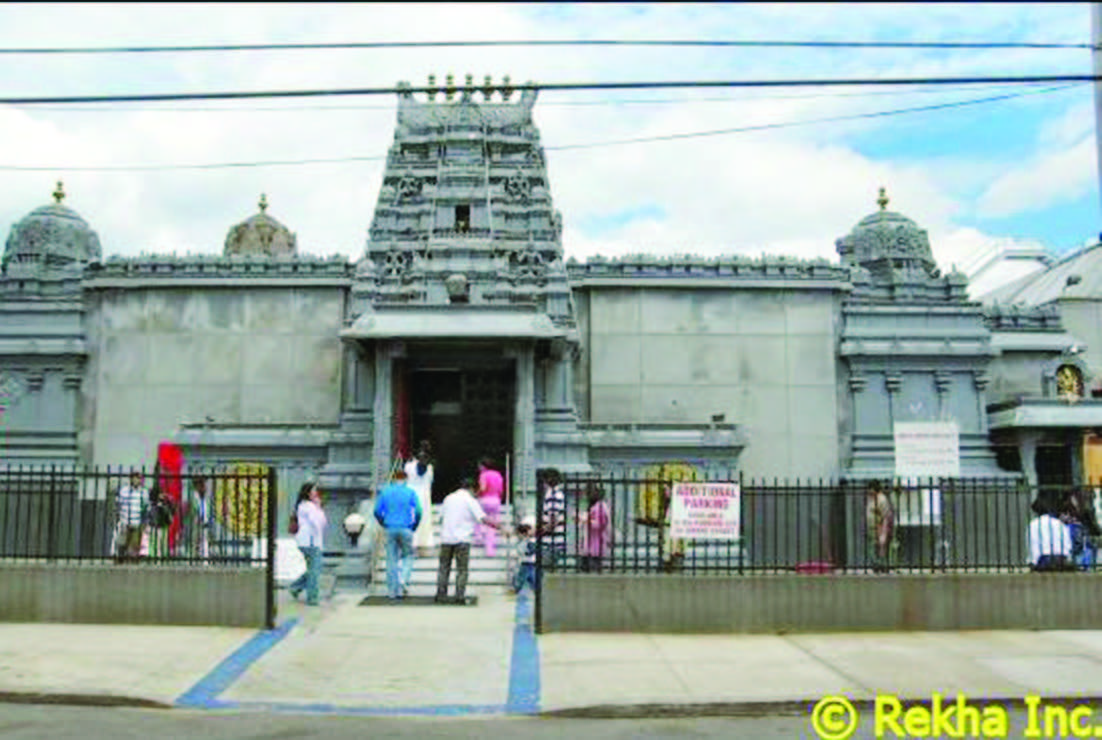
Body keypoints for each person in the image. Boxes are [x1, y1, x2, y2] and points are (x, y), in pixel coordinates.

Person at [435, 476, 494, 604]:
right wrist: (500, 527)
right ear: (472, 488)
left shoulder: (448, 498)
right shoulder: (470, 500)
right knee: (462, 570)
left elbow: (440, 517)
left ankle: (440, 595)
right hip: (462, 539)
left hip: (446, 538)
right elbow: (482, 518)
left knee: (444, 568)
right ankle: (459, 596)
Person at [373, 469, 422, 600]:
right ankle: (403, 580)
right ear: (406, 479)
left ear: (394, 479)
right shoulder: (410, 492)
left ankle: (392, 591)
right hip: (406, 527)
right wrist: (414, 525)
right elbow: (418, 510)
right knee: (407, 556)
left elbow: (377, 510)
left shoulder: (386, 491)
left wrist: (382, 522)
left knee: (391, 559)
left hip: (390, 527)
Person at [288, 483, 327, 605]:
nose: (316, 493)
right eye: (313, 491)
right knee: (315, 571)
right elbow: (318, 522)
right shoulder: (308, 506)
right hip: (310, 542)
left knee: (312, 569)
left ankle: (295, 587)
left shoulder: (306, 506)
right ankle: (312, 597)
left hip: (308, 541)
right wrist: (318, 507)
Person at [405, 441, 435, 556]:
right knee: (424, 520)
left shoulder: (408, 466)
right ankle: (424, 544)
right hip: (424, 496)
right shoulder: (429, 468)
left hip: (411, 494)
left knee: (411, 518)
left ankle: (411, 543)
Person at [1029, 496, 1074, 572]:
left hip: (1044, 560)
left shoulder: (1033, 524)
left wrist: (1033, 562)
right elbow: (1067, 544)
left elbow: (1033, 545)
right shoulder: (1059, 523)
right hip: (1061, 559)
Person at [114, 471, 149, 562]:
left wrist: (144, 521)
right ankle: (120, 558)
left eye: (138, 478)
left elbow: (145, 507)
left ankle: (132, 560)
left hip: (137, 521)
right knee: (122, 542)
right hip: (125, 520)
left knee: (135, 544)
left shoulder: (143, 492)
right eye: (134, 478)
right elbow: (119, 504)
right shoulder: (124, 490)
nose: (136, 480)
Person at [579, 483, 612, 573]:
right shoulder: (594, 506)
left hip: (596, 545)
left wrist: (586, 520)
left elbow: (600, 524)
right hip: (590, 545)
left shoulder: (600, 507)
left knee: (593, 569)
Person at [475, 457, 504, 557]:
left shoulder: (483, 475)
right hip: (496, 500)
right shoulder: (498, 475)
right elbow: (501, 490)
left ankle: (478, 538)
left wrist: (477, 494)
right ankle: (490, 550)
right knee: (492, 525)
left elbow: (483, 488)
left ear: (483, 466)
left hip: (485, 500)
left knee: (479, 518)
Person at [539, 468, 567, 570]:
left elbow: (553, 516)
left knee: (545, 570)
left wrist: (544, 530)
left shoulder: (553, 494)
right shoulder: (558, 493)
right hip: (555, 540)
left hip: (551, 541)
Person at [865, 480, 894, 573]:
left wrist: (884, 529)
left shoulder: (881, 499)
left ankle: (882, 565)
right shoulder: (871, 499)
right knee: (874, 546)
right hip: (872, 527)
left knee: (881, 546)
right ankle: (876, 565)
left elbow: (886, 515)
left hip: (879, 526)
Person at [513, 517, 538, 594]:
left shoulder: (530, 541)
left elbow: (530, 551)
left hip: (530, 562)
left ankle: (535, 589)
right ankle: (518, 588)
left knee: (530, 577)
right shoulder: (523, 542)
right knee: (523, 576)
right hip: (525, 562)